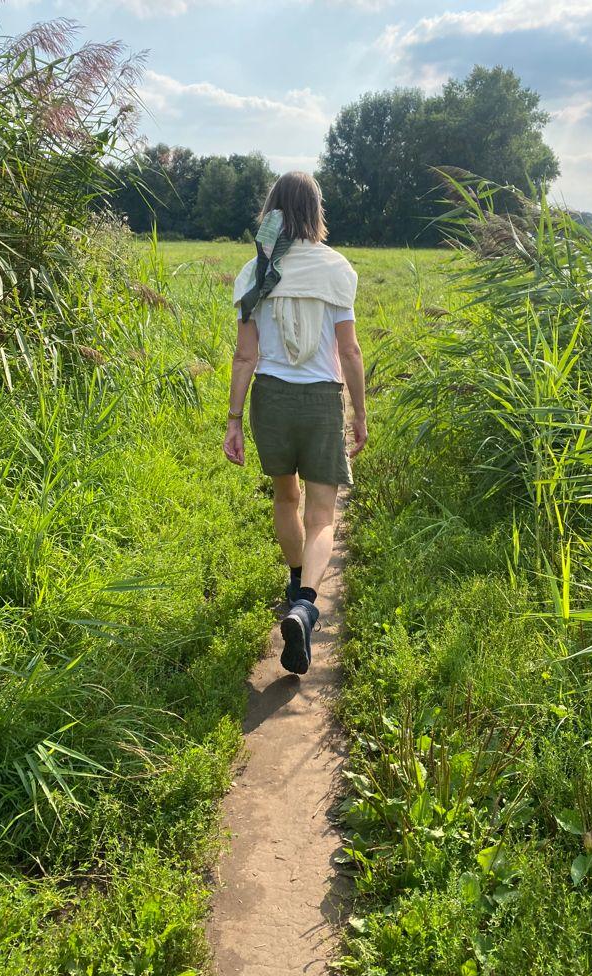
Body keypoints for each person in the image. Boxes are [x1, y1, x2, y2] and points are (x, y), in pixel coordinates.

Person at [223, 171, 367, 675]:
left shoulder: (255, 271)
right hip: (322, 401)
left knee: (288, 499)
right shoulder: (336, 269)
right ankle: (306, 603)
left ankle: (293, 584)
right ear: (315, 211)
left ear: (273, 210)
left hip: (271, 400)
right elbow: (348, 350)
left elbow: (244, 357)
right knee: (323, 515)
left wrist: (234, 420)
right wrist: (360, 413)